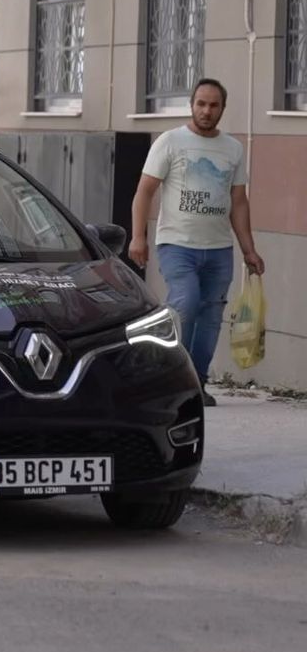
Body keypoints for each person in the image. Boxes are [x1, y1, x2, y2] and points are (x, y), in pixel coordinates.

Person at [129, 78, 265, 407]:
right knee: (186, 303)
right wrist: (137, 237)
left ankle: (197, 383)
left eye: (213, 105)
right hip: (177, 244)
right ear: (192, 105)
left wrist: (248, 248)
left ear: (222, 109)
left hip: (218, 249)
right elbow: (144, 191)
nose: (206, 111)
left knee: (211, 316)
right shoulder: (171, 142)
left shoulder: (232, 149)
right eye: (201, 104)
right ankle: (171, 376)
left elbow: (239, 202)